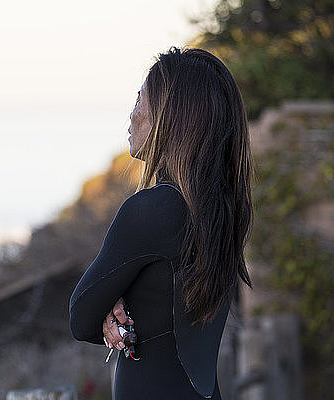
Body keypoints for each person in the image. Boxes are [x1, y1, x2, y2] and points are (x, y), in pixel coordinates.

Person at [69, 46, 256, 399]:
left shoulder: (153, 209)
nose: (131, 113)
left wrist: (109, 304)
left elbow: (80, 316)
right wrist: (116, 303)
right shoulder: (223, 211)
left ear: (169, 117)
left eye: (140, 99)